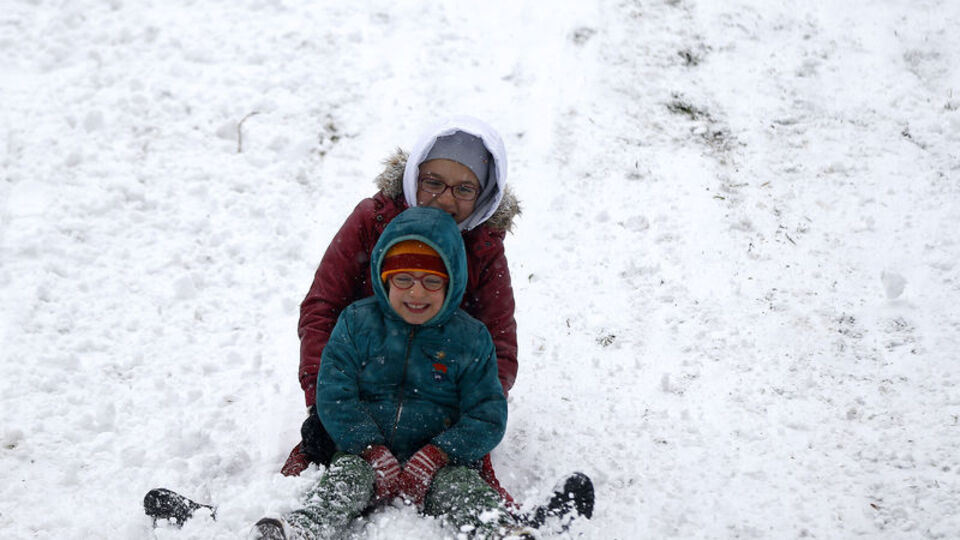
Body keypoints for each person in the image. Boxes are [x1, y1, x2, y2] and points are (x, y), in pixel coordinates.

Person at [284, 116, 521, 503]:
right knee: (327, 479)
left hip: (439, 391)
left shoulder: (483, 244)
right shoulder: (374, 220)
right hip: (366, 382)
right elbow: (322, 307)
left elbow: (499, 339)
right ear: (414, 176)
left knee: (463, 487)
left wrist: (472, 417)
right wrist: (321, 399)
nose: (446, 199)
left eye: (464, 189)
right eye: (433, 182)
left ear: (484, 194)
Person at [255, 207, 522, 539]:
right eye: (403, 279)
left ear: (452, 282)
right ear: (384, 277)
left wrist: (440, 453)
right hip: (364, 455)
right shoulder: (356, 323)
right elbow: (335, 394)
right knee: (345, 480)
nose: (416, 293)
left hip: (439, 464)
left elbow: (487, 414)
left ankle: (501, 531)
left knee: (464, 488)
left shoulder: (470, 339)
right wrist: (368, 447)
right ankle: (303, 528)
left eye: (432, 281)